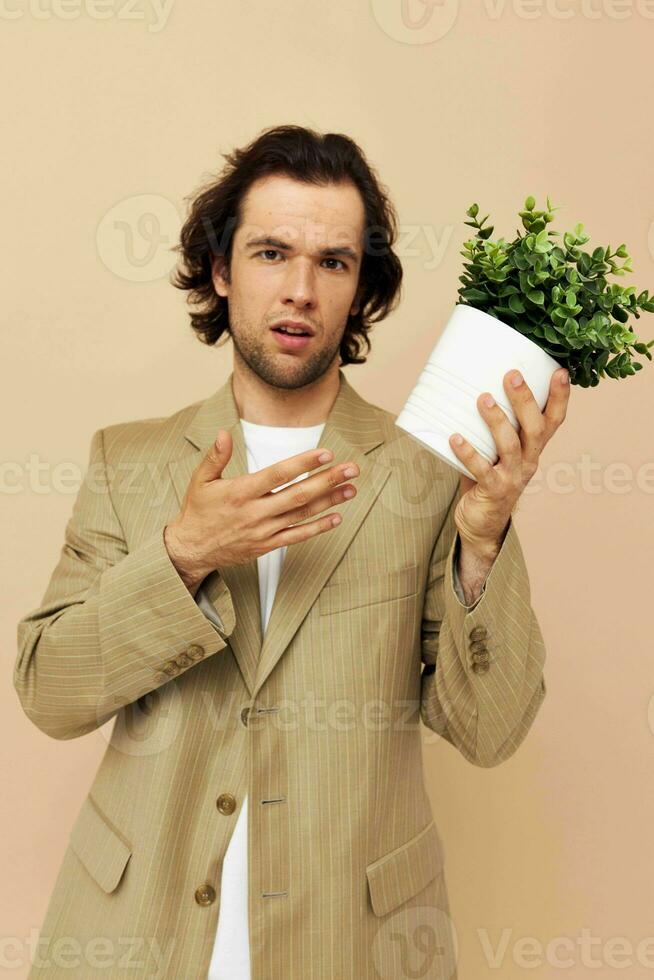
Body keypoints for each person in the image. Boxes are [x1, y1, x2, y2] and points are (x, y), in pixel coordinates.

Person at [15, 124, 568, 980]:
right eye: (272, 253)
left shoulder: (435, 473)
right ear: (222, 269)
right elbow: (50, 695)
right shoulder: (126, 462)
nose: (300, 290)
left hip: (354, 942)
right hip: (134, 939)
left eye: (334, 262)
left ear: (361, 289)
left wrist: (484, 540)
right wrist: (182, 555)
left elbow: (490, 735)